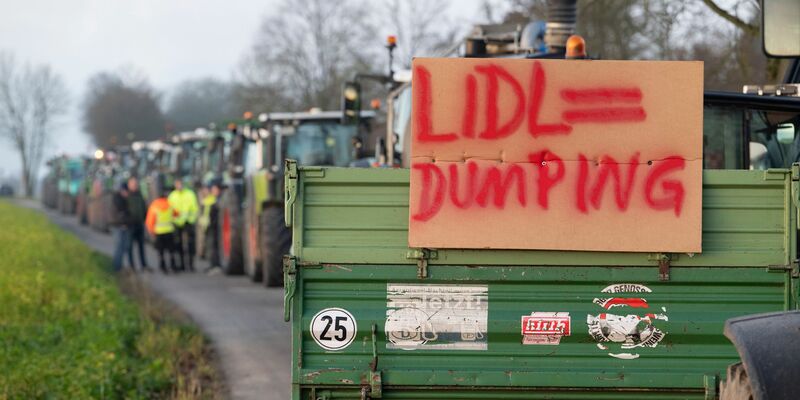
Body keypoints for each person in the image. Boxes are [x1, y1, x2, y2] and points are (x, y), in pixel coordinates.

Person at [146, 186, 179, 273]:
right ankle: (173, 266)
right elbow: (176, 214)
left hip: (159, 232)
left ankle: (163, 266)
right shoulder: (169, 204)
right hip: (169, 231)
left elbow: (150, 220)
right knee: (171, 250)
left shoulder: (154, 205)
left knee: (161, 251)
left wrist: (151, 231)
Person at [168, 179, 199, 271]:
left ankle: (190, 265)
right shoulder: (172, 196)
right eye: (177, 184)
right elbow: (170, 210)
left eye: (180, 184)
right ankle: (181, 265)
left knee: (190, 244)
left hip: (188, 222)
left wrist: (191, 219)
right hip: (177, 223)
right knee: (178, 245)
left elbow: (194, 208)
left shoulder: (190, 194)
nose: (179, 186)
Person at [126, 176, 151, 272]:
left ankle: (143, 265)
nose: (134, 185)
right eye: (132, 184)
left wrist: (145, 218)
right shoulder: (127, 196)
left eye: (136, 184)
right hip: (130, 225)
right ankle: (132, 266)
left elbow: (143, 208)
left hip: (139, 224)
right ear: (129, 185)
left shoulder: (140, 195)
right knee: (130, 247)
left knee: (141, 247)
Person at [199, 182, 222, 275]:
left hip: (212, 228)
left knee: (213, 248)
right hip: (208, 227)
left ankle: (215, 265)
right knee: (210, 248)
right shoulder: (207, 200)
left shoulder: (212, 201)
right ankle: (212, 265)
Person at [110, 182, 131, 272]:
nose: (127, 194)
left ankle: (119, 266)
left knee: (123, 247)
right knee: (119, 247)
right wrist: (123, 223)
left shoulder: (122, 199)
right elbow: (119, 214)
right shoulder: (118, 200)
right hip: (118, 226)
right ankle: (117, 267)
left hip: (122, 226)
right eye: (126, 192)